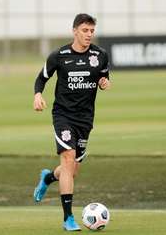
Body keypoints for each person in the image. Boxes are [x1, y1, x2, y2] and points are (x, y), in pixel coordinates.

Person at [33, 13, 111, 231]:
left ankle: (48, 177)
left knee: (72, 170)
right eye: (85, 30)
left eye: (92, 31)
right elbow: (42, 78)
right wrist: (38, 94)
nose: (89, 35)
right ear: (75, 31)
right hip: (63, 116)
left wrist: (105, 83)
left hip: (85, 119)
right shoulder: (59, 55)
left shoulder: (100, 55)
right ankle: (68, 218)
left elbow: (104, 78)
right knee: (67, 161)